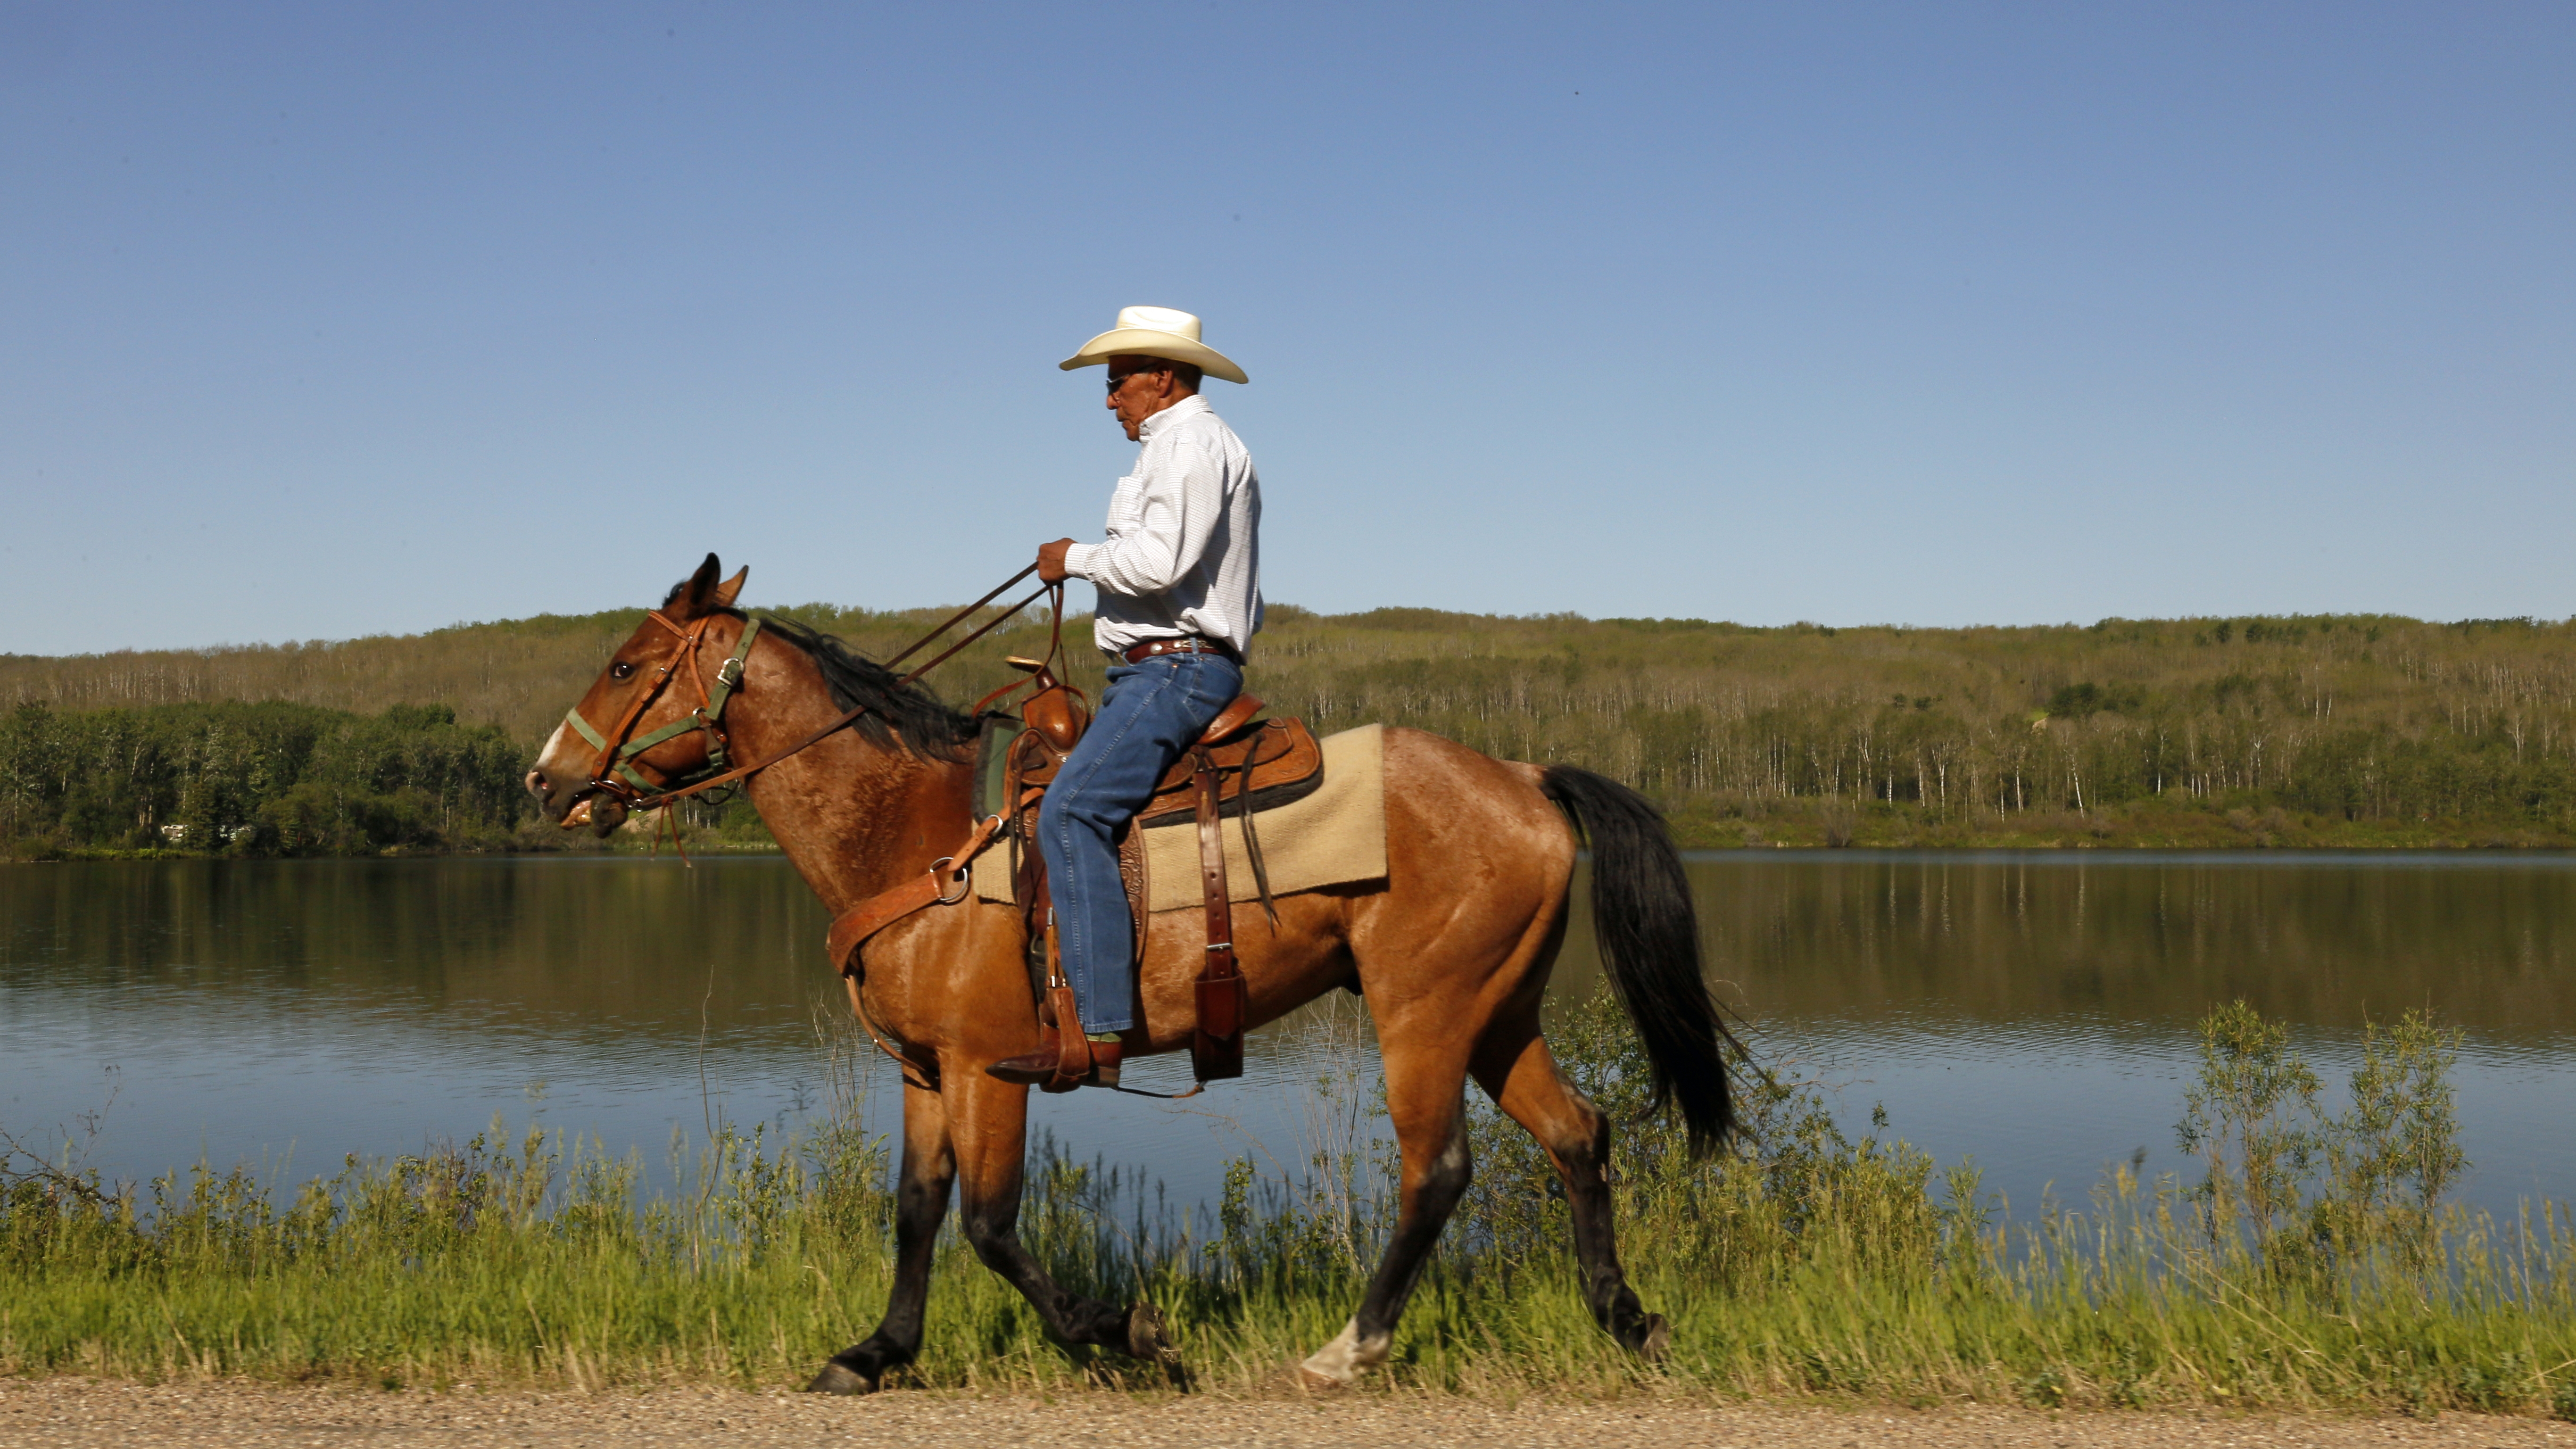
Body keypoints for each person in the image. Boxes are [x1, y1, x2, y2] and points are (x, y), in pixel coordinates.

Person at [987, 306, 1262, 1089]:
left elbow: (1160, 561)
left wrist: (1072, 556)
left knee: (1073, 812)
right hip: (1158, 667)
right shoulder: (1178, 447)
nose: (1110, 400)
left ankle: (1099, 1031)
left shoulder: (1190, 444)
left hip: (1175, 669)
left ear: (1162, 377)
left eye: (1118, 383)